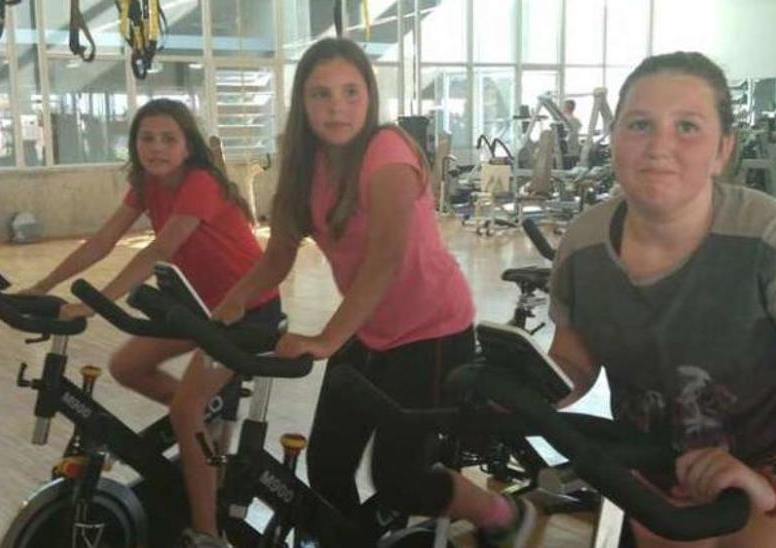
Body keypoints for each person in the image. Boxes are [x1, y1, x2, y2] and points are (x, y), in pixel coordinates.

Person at [546, 52, 776, 547]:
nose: (659, 146)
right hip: (662, 460)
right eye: (639, 124)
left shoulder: (768, 238)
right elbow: (572, 360)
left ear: (722, 149)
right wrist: (533, 387)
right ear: (614, 138)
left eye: (687, 127)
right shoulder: (584, 243)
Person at [208, 37, 536, 548]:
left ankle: (501, 513)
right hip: (367, 328)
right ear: (303, 104)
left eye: (350, 92)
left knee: (399, 478)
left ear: (369, 97)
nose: (336, 106)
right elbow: (278, 255)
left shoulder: (387, 150)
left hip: (431, 330)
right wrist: (230, 302)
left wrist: (325, 338)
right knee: (327, 466)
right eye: (321, 94)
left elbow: (387, 258)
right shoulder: (303, 165)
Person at [20, 98, 281, 548]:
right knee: (127, 367)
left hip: (248, 312)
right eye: (147, 138)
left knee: (184, 409)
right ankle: (206, 427)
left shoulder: (199, 182)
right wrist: (43, 285)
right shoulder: (145, 184)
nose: (156, 148)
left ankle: (207, 533)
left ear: (187, 147)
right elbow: (102, 240)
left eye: (168, 139)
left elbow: (158, 251)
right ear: (135, 143)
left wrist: (92, 305)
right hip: (203, 306)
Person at [563, 98, 583, 168]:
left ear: (566, 107)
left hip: (566, 152)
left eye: (564, 106)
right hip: (574, 152)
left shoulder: (565, 120)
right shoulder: (576, 121)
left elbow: (567, 136)